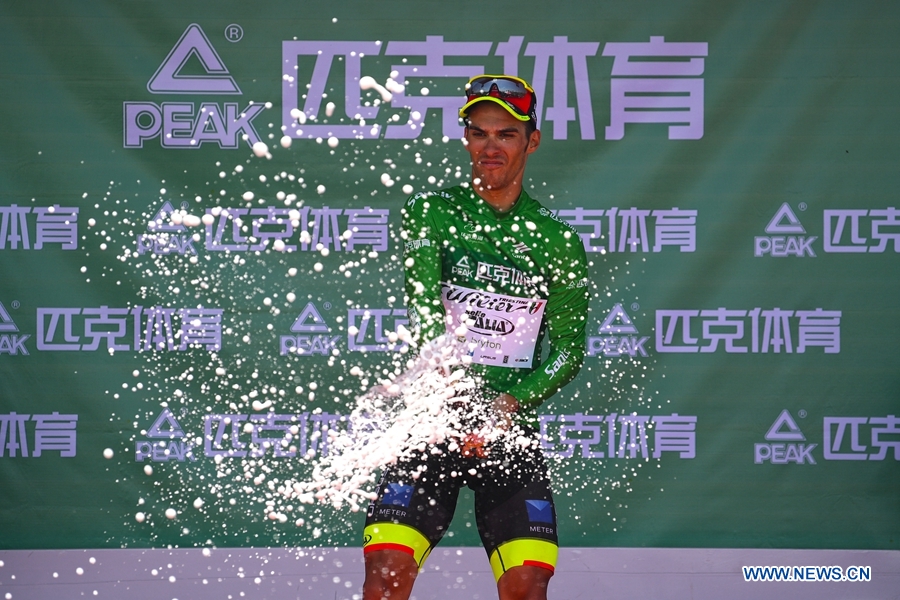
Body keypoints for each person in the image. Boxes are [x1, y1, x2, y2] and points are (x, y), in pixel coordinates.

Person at [362, 74, 589, 600]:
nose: (491, 146)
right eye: (479, 133)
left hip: (508, 430)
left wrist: (509, 403)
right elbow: (424, 308)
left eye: (506, 134)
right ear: (466, 138)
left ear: (531, 141)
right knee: (386, 575)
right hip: (434, 421)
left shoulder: (557, 240)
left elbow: (569, 351)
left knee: (527, 586)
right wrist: (453, 392)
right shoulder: (432, 213)